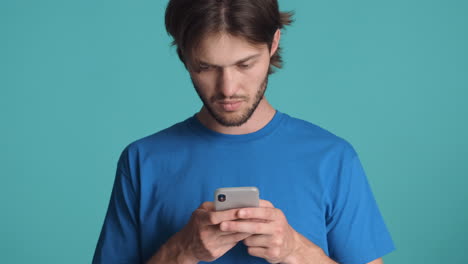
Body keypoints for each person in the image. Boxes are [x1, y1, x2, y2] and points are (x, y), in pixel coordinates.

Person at [92, 0, 396, 263]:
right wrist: (183, 250)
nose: (228, 89)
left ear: (273, 43)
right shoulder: (142, 161)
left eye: (245, 64)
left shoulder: (332, 158)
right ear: (184, 57)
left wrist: (295, 250)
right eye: (206, 67)